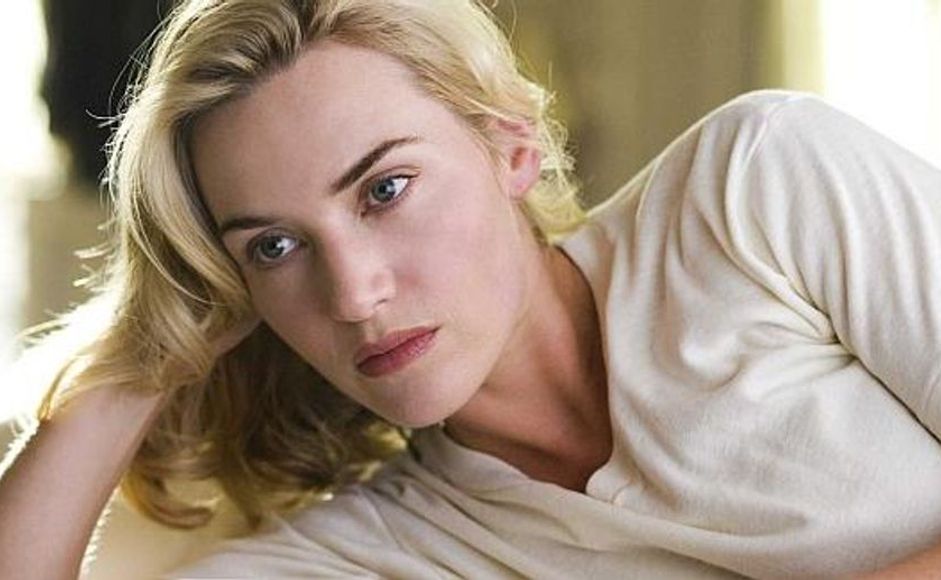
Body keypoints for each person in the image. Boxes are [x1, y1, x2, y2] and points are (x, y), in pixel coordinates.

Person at [1, 0, 940, 577]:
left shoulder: (755, 187)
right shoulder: (384, 549)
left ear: (510, 144)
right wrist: (150, 340)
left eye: (384, 190)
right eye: (275, 246)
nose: (354, 294)